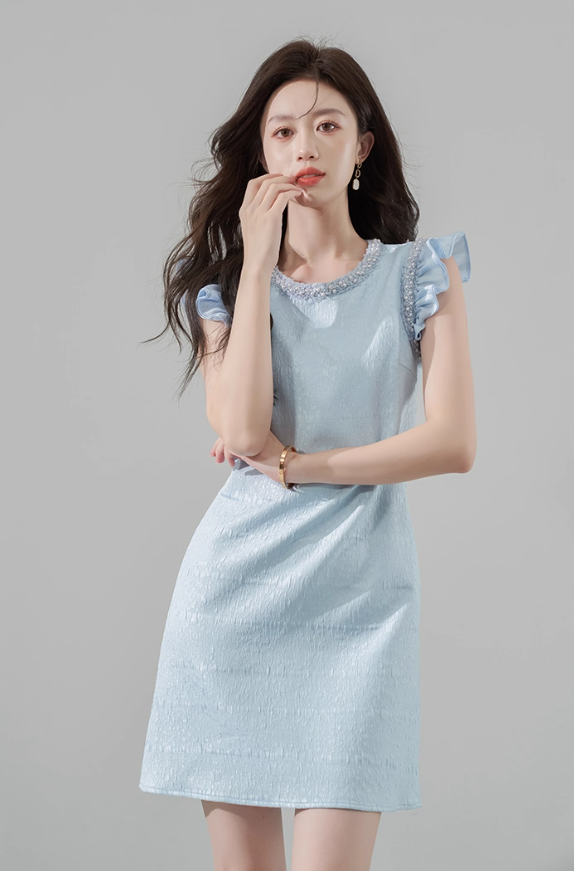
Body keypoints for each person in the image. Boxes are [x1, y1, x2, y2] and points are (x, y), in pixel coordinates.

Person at [139, 37, 475, 871]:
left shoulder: (421, 274)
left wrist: (305, 467)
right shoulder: (225, 289)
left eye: (327, 126)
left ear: (362, 146)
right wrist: (257, 263)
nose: (305, 147)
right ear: (261, 153)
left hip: (363, 609)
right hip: (236, 601)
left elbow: (454, 442)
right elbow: (244, 429)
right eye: (283, 131)